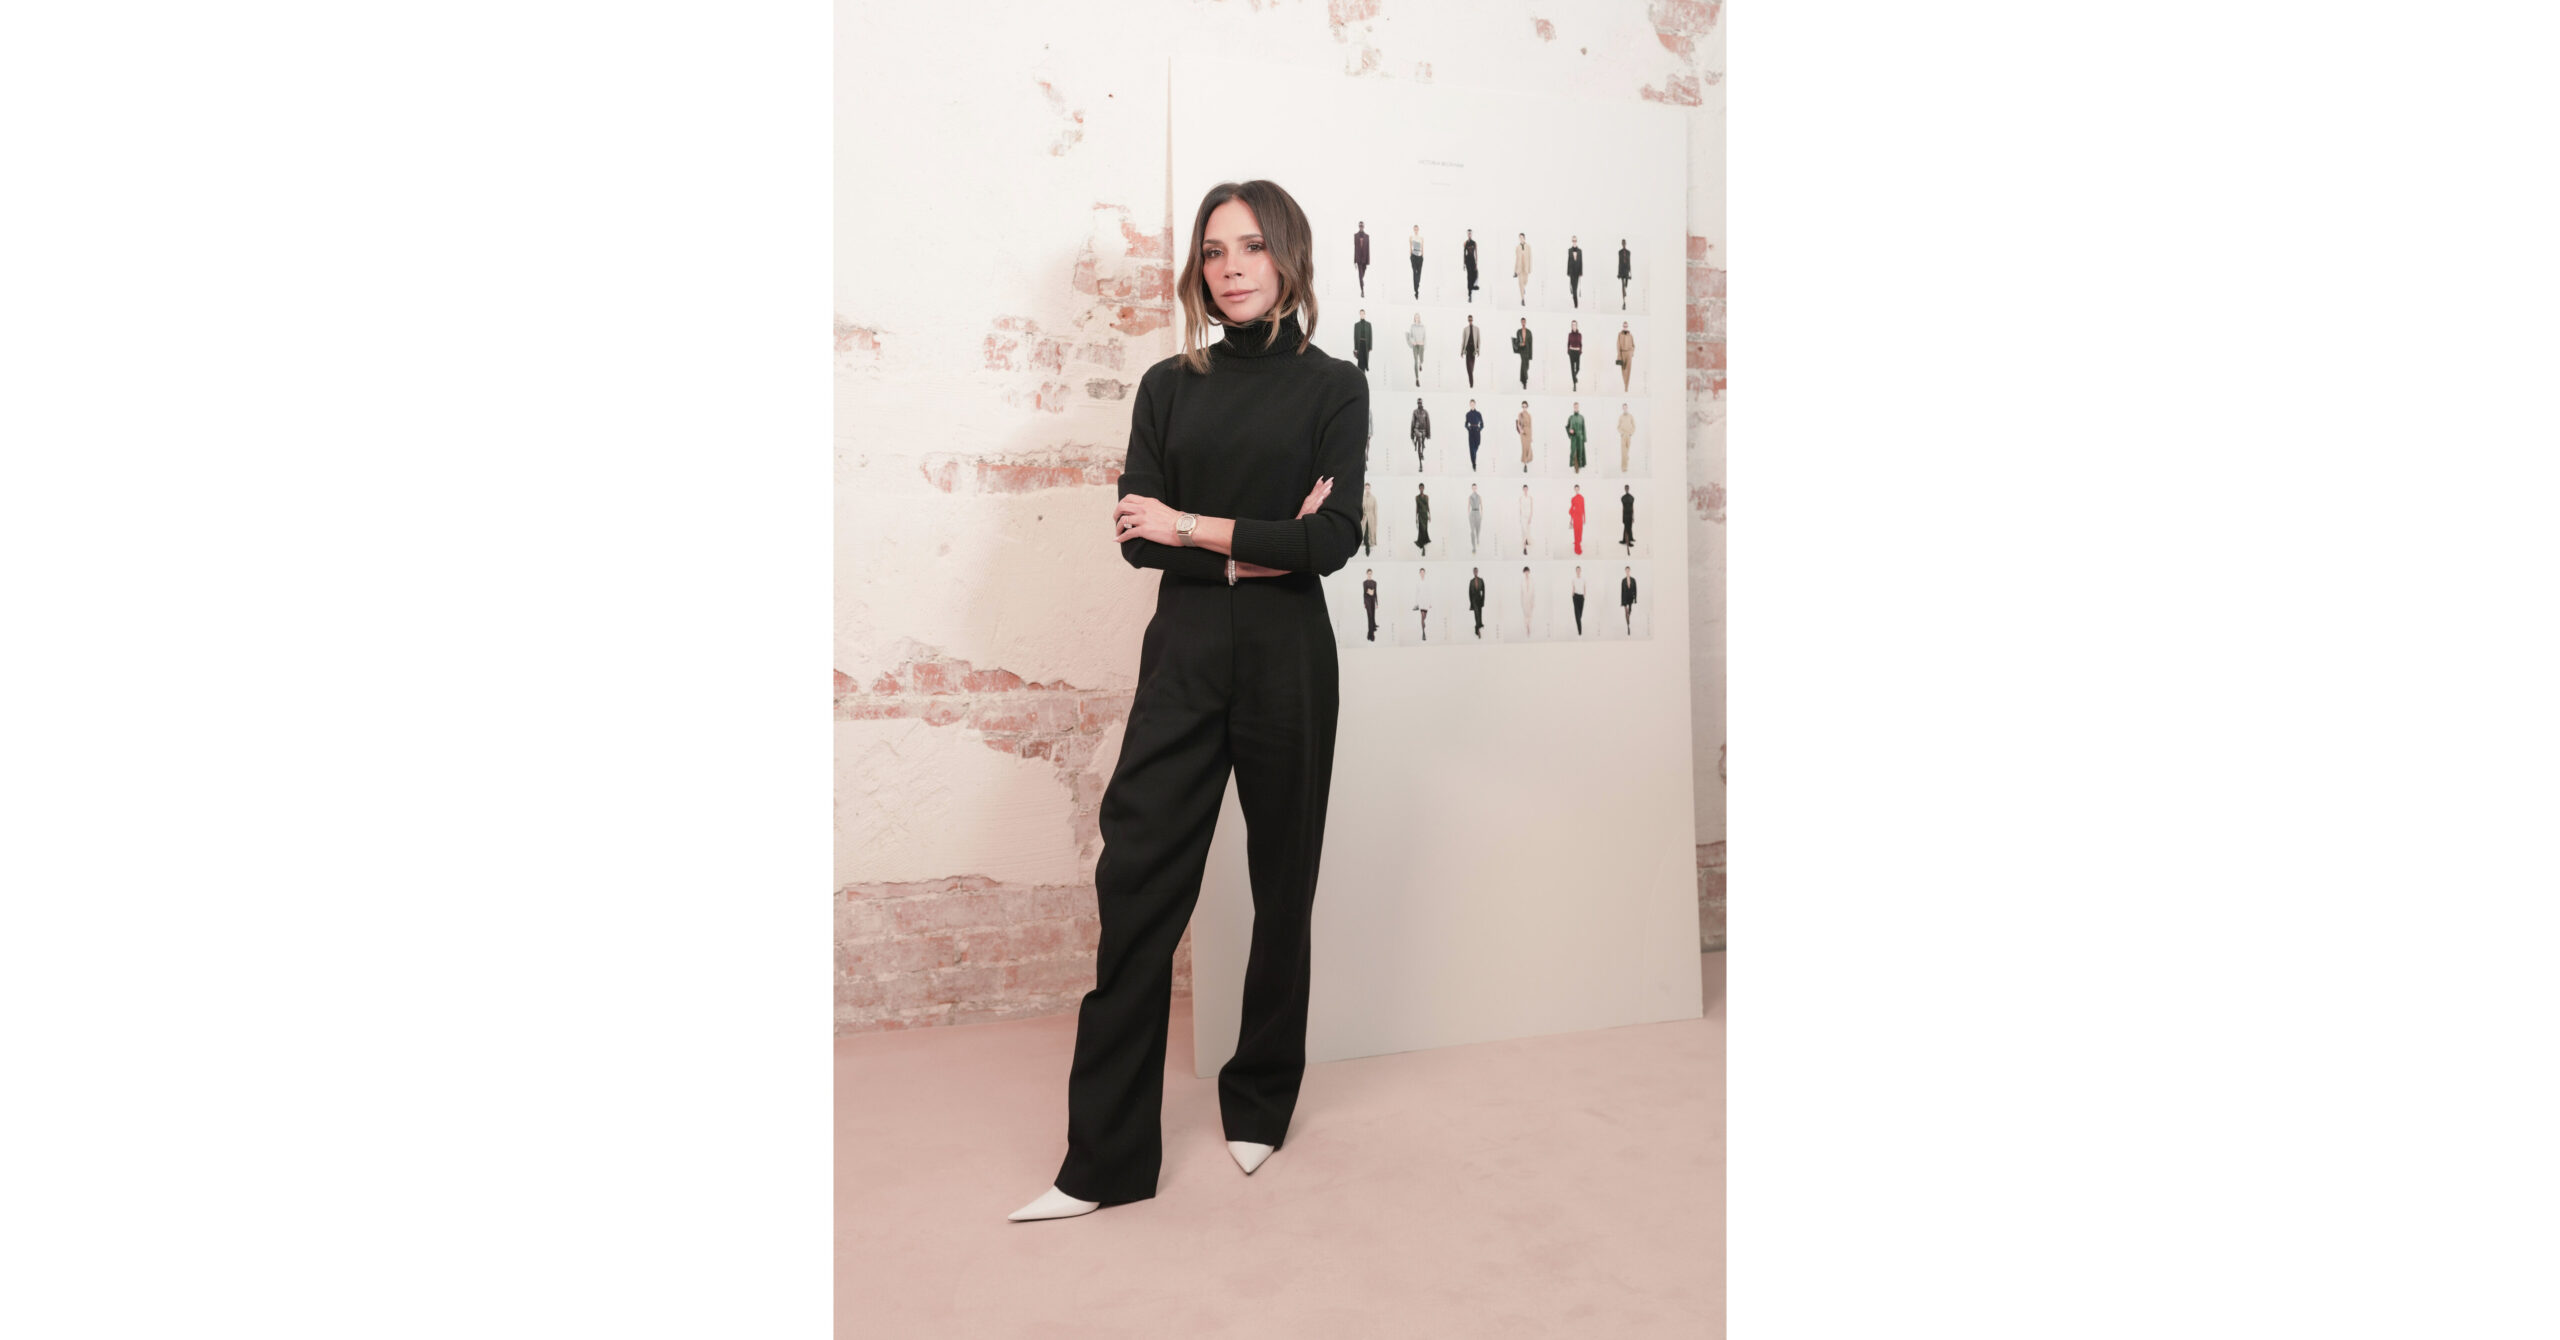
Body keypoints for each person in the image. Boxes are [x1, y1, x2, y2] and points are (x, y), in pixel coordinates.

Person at [1014, 179, 1365, 1223]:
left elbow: (1329, 542)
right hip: (1186, 655)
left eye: (1251, 246)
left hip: (1290, 659)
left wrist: (1191, 526)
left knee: (1282, 883)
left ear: (1288, 256)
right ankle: (1103, 1161)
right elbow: (1136, 537)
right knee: (1136, 885)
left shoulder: (1334, 387)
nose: (1231, 267)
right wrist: (1256, 544)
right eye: (1214, 250)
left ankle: (1259, 1100)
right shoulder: (1168, 385)